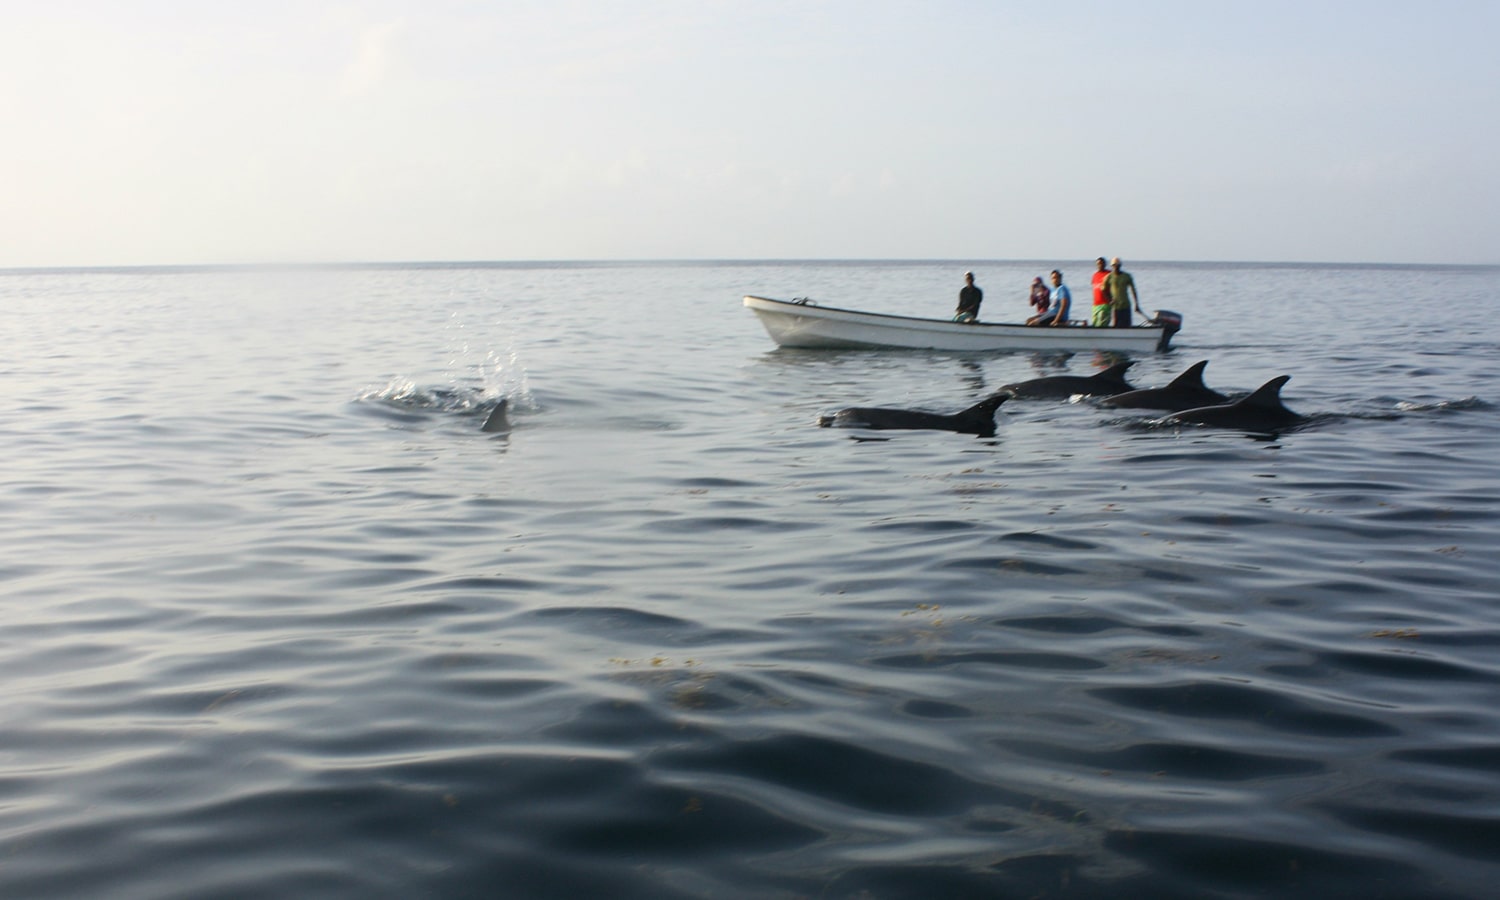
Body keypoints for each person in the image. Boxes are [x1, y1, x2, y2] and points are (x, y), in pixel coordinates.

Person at [1104, 257, 1144, 327]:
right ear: (1112, 266)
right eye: (1114, 265)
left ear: (1120, 265)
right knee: (1116, 325)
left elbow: (1133, 290)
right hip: (1116, 306)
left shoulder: (1127, 276)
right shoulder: (1109, 277)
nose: (1116, 267)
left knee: (1127, 324)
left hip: (1126, 304)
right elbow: (1103, 289)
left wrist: (1136, 304)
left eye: (1117, 265)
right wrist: (1109, 300)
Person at [1089, 257, 1111, 327]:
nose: (1100, 265)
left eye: (1101, 263)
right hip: (1096, 304)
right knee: (1095, 323)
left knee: (1102, 323)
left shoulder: (1109, 274)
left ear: (1105, 264)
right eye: (1098, 264)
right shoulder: (1095, 275)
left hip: (1105, 304)